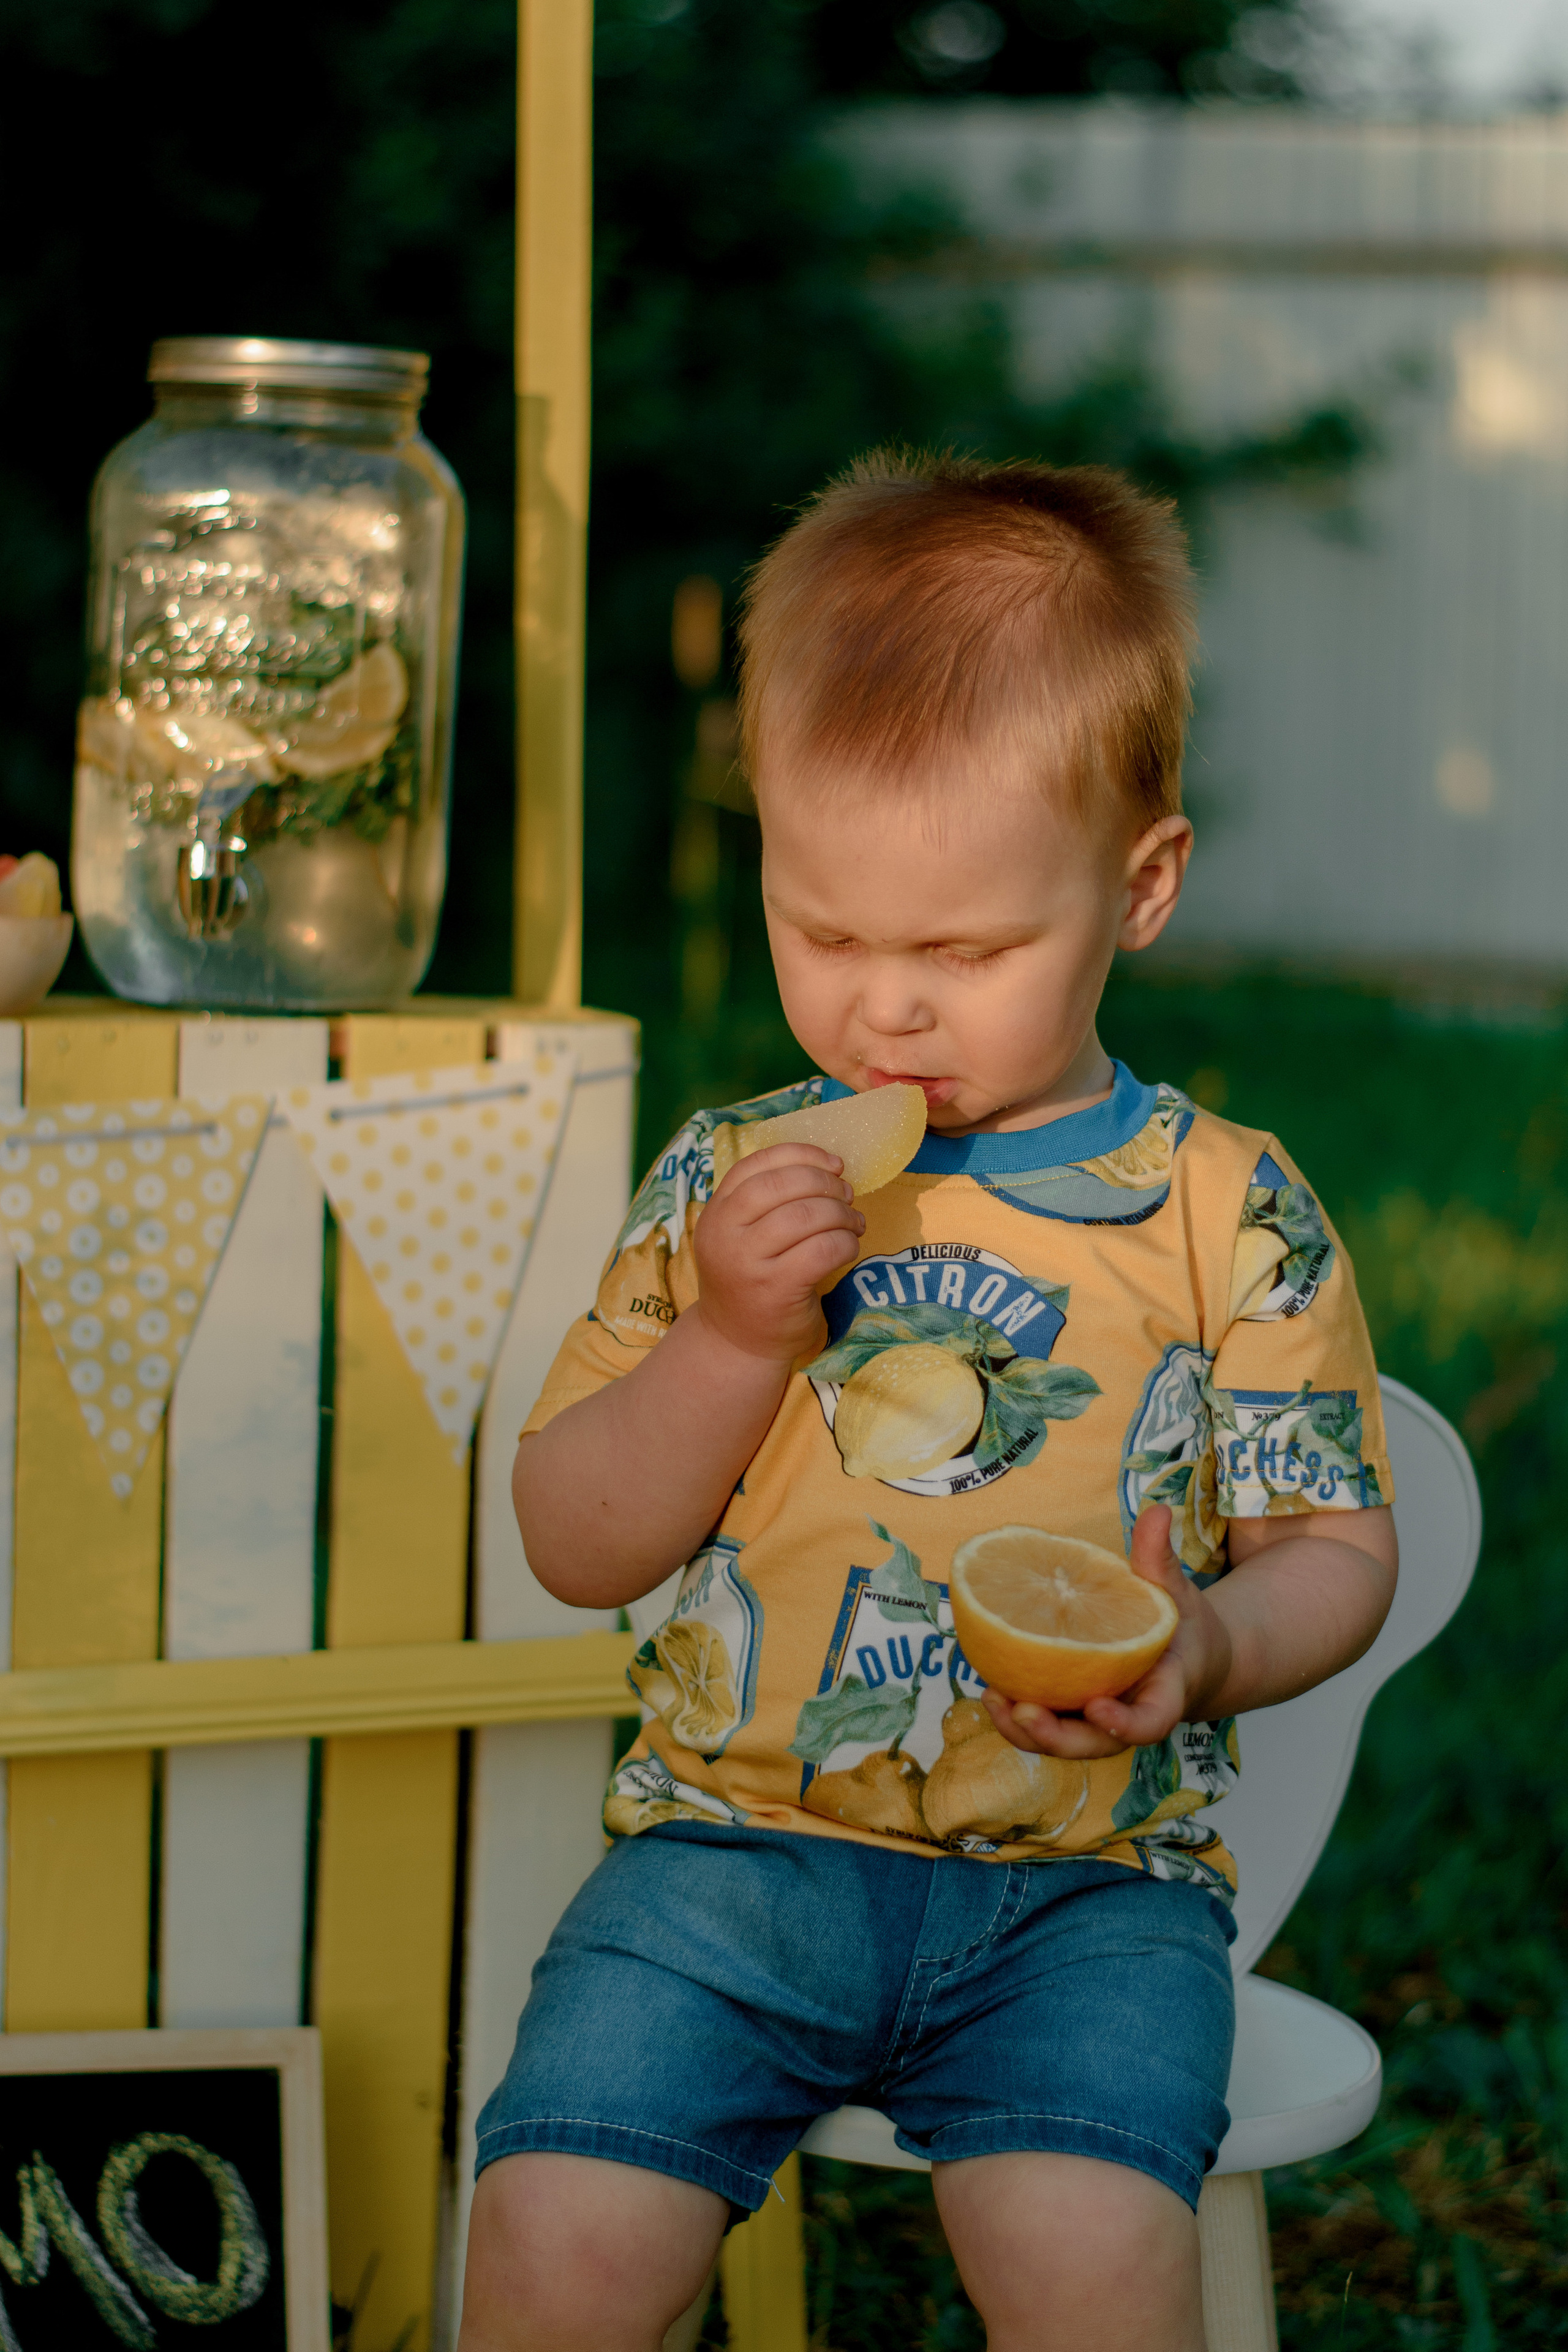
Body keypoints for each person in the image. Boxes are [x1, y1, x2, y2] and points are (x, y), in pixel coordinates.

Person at [458, 450, 1398, 2352]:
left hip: (1087, 1894)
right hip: (726, 1863)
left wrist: (1210, 1646)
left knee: (1093, 2277)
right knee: (551, 2239)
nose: (885, 1011)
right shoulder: (732, 1188)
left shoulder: (1235, 1211)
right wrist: (731, 1335)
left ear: (1140, 889)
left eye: (963, 953)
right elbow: (574, 1541)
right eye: (828, 934)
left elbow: (1338, 1546)